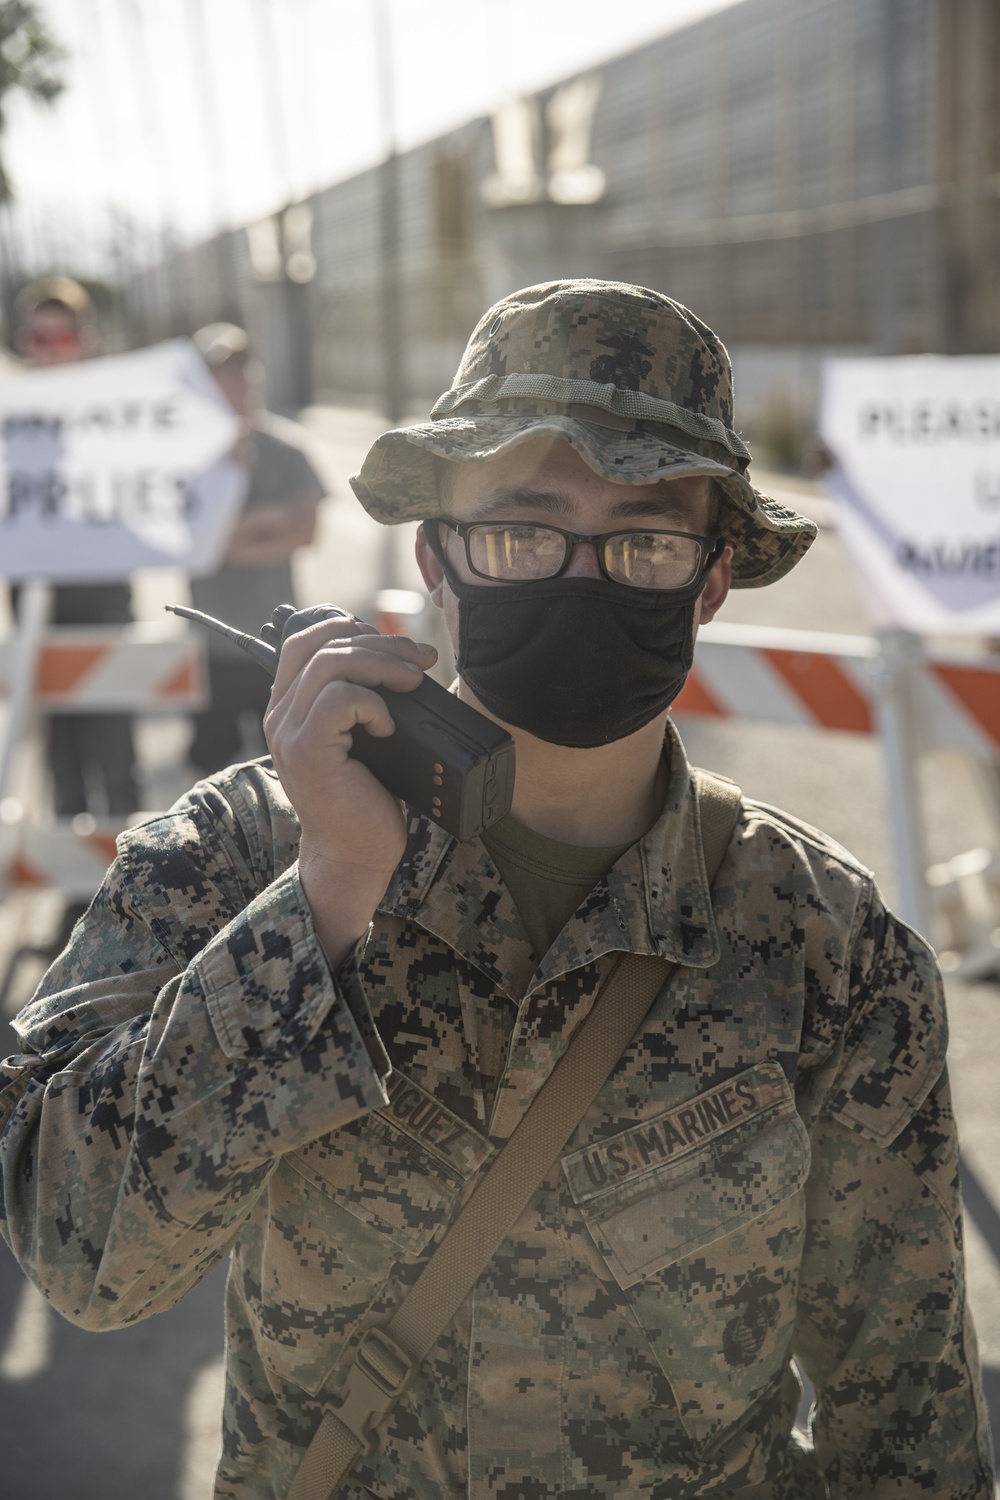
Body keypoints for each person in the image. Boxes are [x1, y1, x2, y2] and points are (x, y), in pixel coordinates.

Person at [0, 280, 993, 1499]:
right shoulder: (238, 855)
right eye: (523, 533)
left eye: (643, 542)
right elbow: (82, 1256)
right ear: (436, 557)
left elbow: (906, 1429)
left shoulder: (830, 951)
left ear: (712, 580)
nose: (579, 577)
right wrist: (326, 893)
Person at [10, 277, 138, 818]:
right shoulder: (9, 413)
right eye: (42, 340)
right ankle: (70, 892)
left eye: (63, 338)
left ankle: (127, 881)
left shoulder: (120, 412)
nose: (53, 350)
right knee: (61, 751)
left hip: (104, 592)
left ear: (84, 340)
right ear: (24, 344)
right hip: (35, 596)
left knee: (115, 745)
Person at [187, 323, 324, 775]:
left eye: (242, 368)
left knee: (289, 768)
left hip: (279, 641)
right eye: (222, 372)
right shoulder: (188, 458)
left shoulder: (286, 449)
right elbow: (193, 543)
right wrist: (268, 519)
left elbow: (304, 532)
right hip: (212, 643)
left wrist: (226, 539)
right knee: (209, 769)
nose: (236, 381)